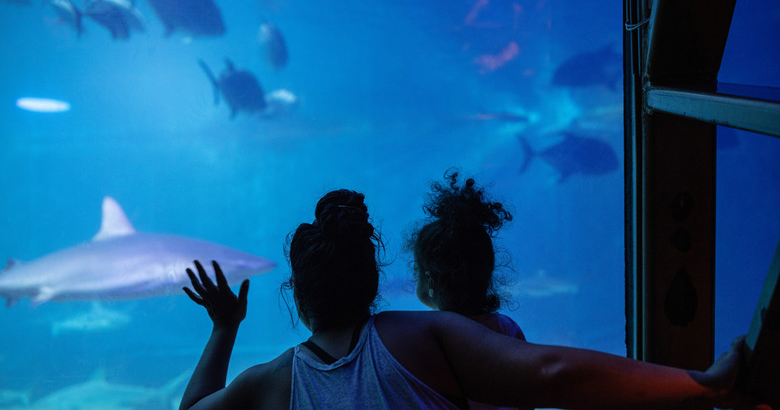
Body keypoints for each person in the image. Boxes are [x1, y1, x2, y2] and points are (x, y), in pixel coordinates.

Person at [179, 189, 758, 410]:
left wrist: (224, 328)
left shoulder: (276, 382)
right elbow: (553, 373)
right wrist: (697, 382)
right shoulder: (417, 337)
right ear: (373, 283)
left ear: (299, 299)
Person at [407, 170, 526, 410]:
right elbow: (528, 393)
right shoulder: (507, 329)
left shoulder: (424, 336)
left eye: (416, 270)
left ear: (429, 282)